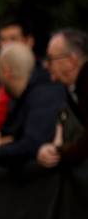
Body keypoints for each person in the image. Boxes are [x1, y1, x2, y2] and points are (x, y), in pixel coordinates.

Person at [0, 43, 66, 171]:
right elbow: (10, 137)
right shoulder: (20, 99)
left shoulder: (44, 95)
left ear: (6, 72)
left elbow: (33, 143)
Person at [37, 28, 88, 168]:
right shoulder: (72, 89)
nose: (47, 65)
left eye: (51, 59)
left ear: (71, 61)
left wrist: (58, 152)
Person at [0, 17, 35, 145]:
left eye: (13, 39)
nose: (7, 45)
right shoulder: (0, 79)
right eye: (3, 39)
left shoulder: (39, 82)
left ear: (29, 41)